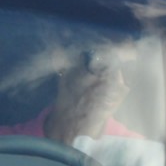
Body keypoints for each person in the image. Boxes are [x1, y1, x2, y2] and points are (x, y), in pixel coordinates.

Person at [0, 47, 139, 144]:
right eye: (102, 62)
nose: (116, 82)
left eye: (129, 69)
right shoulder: (6, 147)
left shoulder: (141, 157)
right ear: (61, 60)